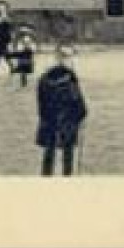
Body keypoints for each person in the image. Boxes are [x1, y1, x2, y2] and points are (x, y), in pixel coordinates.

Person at [35, 44, 89, 176]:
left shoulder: (45, 78)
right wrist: (82, 113)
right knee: (66, 152)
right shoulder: (69, 78)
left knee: (51, 151)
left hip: (51, 119)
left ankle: (47, 176)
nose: (70, 60)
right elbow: (77, 101)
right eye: (67, 57)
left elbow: (41, 102)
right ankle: (65, 177)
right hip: (66, 121)